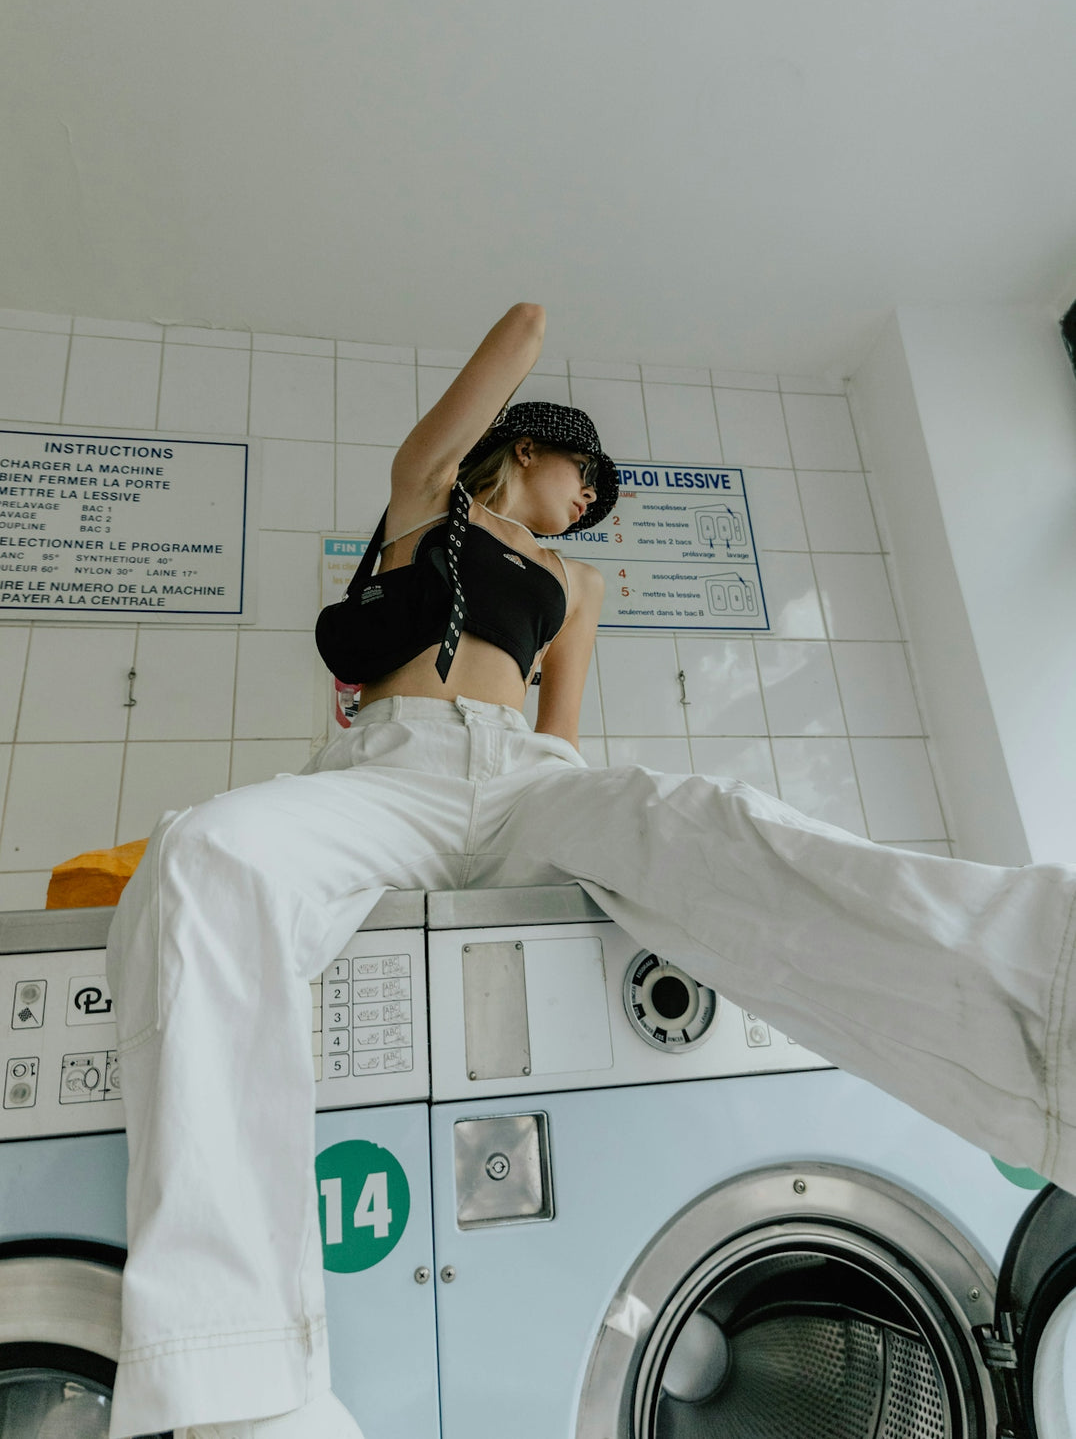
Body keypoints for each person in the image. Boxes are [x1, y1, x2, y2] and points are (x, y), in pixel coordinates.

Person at [107, 301, 1076, 1439]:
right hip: (391, 770)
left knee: (706, 821)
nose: (588, 504)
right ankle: (246, 1390)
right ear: (530, 447)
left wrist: (586, 822)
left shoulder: (577, 588)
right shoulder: (431, 501)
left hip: (523, 781)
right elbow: (476, 387)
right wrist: (534, 315)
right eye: (583, 477)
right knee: (204, 855)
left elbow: (559, 739)